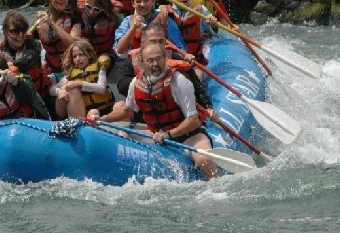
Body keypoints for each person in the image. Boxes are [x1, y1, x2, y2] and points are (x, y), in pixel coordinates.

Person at [88, 43, 218, 180]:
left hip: (188, 135)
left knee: (205, 160)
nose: (155, 64)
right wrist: (102, 120)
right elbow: (127, 111)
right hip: (155, 132)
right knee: (122, 134)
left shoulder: (179, 81)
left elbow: (193, 120)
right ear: (142, 64)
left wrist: (168, 134)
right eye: (150, 60)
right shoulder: (135, 83)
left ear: (165, 59)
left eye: (158, 59)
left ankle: (216, 188)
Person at [114, 23, 213, 110]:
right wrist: (151, 83)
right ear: (143, 43)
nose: (158, 45)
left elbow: (197, 88)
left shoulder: (176, 58)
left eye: (161, 41)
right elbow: (122, 86)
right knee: (118, 106)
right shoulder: (131, 60)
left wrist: (208, 107)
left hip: (172, 108)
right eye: (153, 41)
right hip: (144, 108)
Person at [0, 10, 48, 97]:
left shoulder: (34, 44)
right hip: (14, 98)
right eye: (15, 31)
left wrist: (10, 65)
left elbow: (27, 61)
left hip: (38, 94)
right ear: (5, 32)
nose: (20, 35)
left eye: (23, 31)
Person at [114, 0, 186, 58]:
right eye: (138, 1)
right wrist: (133, 28)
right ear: (133, 3)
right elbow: (120, 50)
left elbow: (181, 49)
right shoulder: (128, 21)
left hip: (162, 63)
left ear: (153, 0)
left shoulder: (164, 18)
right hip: (135, 63)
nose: (142, 4)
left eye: (146, 1)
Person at [50, 38, 114, 119]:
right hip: (87, 113)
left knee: (120, 105)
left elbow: (101, 88)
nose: (77, 59)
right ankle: (76, 123)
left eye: (81, 55)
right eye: (74, 56)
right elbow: (51, 89)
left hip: (104, 111)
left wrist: (80, 84)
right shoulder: (70, 75)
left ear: (90, 55)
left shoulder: (100, 68)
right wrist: (59, 92)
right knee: (66, 88)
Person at [163, 0, 217, 73]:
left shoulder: (201, 11)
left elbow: (214, 31)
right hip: (173, 59)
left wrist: (213, 24)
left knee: (198, 75)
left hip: (195, 60)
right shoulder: (164, 12)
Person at [35, 0, 82, 73]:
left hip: (71, 68)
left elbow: (73, 43)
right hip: (51, 67)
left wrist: (51, 23)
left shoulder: (75, 16)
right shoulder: (44, 16)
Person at [80, 0, 120, 70]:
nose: (91, 11)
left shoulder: (113, 18)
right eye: (89, 7)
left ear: (104, 9)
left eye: (96, 9)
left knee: (104, 62)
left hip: (104, 52)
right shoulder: (79, 15)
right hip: (85, 53)